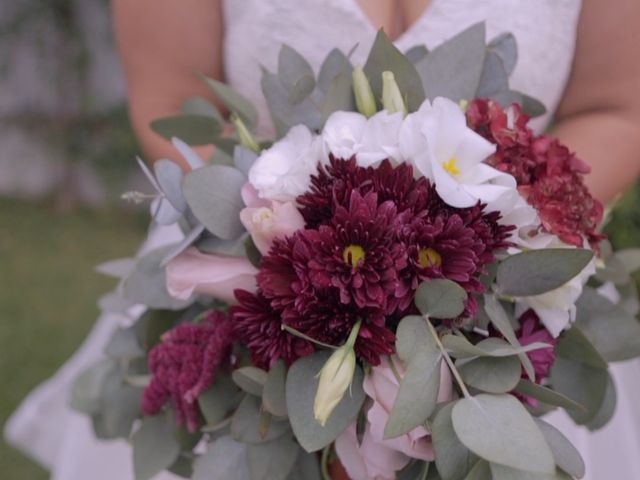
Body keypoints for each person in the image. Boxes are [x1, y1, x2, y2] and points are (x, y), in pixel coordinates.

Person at [5, 1, 640, 479]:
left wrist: (491, 248)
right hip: (256, 281)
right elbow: (170, 95)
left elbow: (616, 107)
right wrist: (304, 248)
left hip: (502, 313)